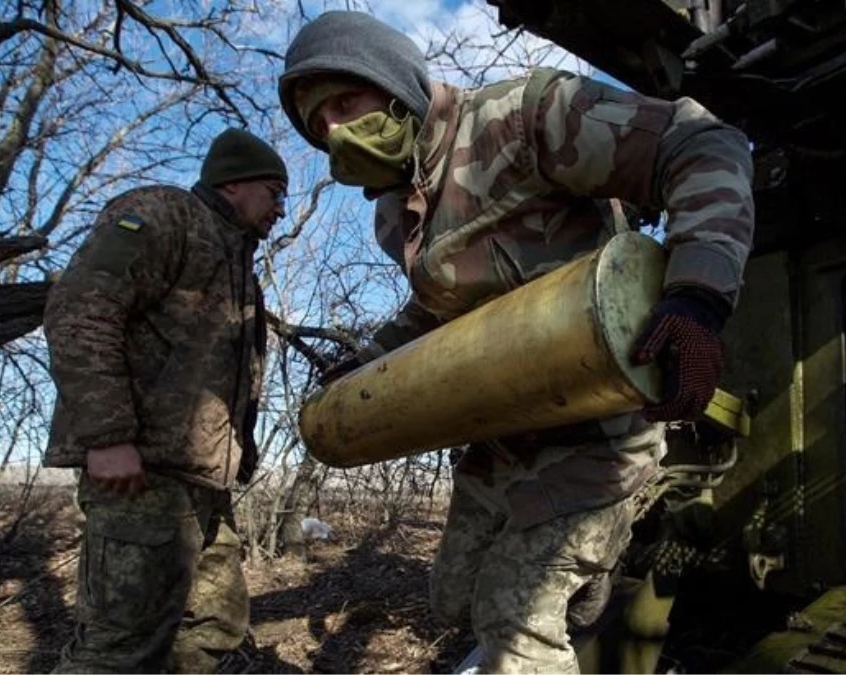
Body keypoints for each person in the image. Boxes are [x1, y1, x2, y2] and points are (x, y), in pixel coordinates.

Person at [279, 11, 755, 673]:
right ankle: (587, 580)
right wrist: (366, 359)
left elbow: (700, 142)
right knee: (452, 600)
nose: (333, 131)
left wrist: (698, 295)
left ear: (393, 86)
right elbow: (437, 311)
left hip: (598, 423)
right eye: (317, 124)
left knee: (515, 617)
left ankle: (576, 564)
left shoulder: (520, 116)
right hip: (502, 434)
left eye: (344, 103)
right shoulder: (396, 215)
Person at [43, 128, 288, 673]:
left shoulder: (238, 266)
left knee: (211, 636)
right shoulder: (161, 215)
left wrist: (236, 458)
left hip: (201, 486)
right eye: (275, 192)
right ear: (233, 185)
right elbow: (80, 309)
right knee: (121, 649)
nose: (281, 210)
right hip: (141, 477)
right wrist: (108, 437)